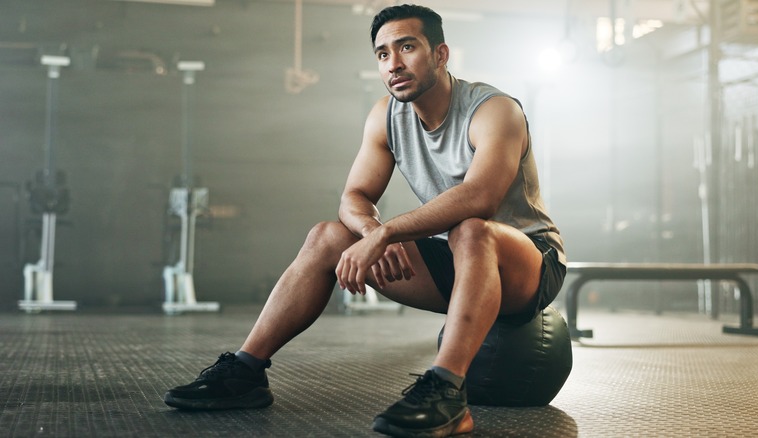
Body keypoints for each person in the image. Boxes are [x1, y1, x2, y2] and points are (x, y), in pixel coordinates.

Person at [164, 4, 566, 437]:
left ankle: (448, 393)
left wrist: (389, 231)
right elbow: (353, 197)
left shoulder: (493, 110)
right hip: (457, 260)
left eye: (407, 47)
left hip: (529, 264)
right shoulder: (386, 116)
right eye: (382, 54)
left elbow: (480, 198)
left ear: (441, 54)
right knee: (327, 236)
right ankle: (245, 372)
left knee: (471, 230)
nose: (393, 63)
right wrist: (372, 232)